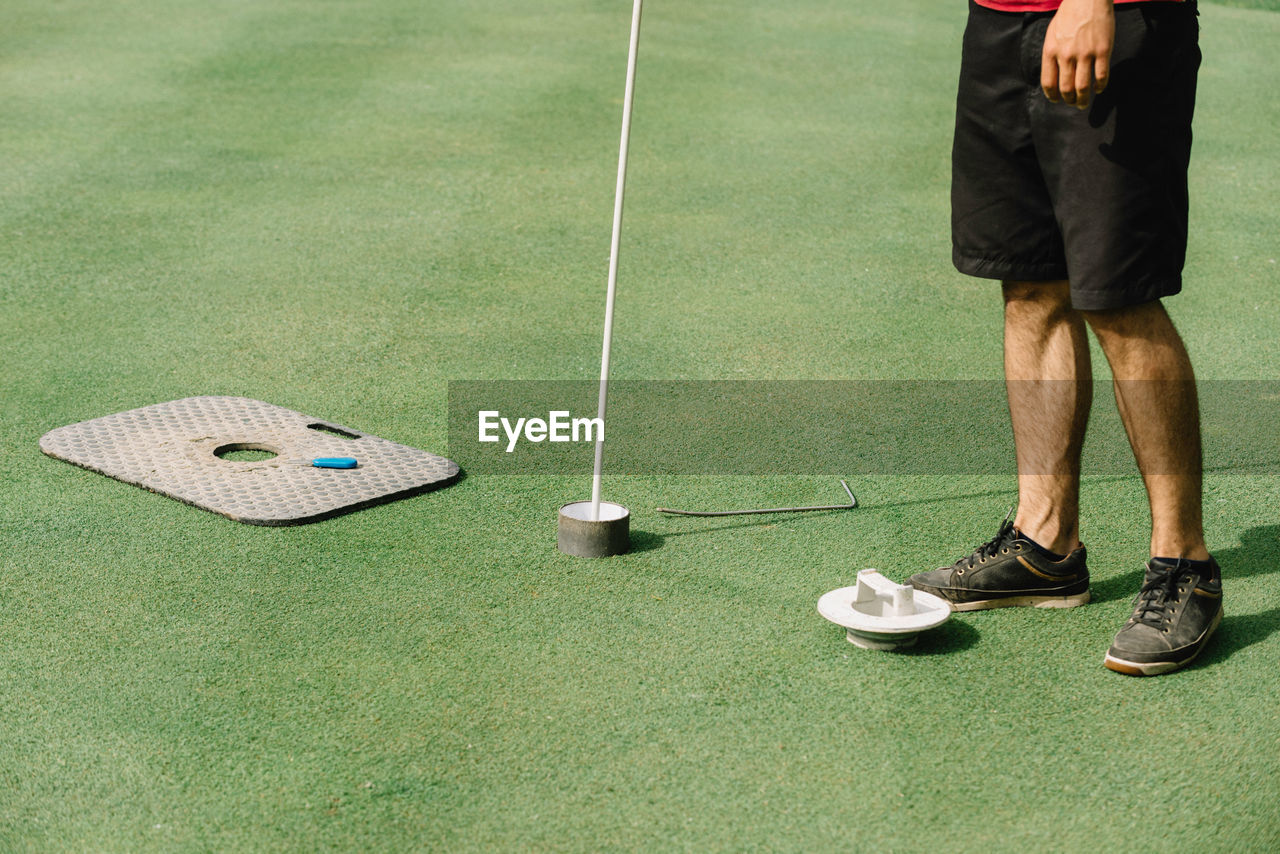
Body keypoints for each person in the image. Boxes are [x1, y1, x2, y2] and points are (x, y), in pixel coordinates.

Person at [906, 0, 1222, 675]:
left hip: (1116, 18)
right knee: (1030, 285)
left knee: (1120, 298)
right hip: (999, 20)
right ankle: (1043, 549)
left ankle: (1185, 563)